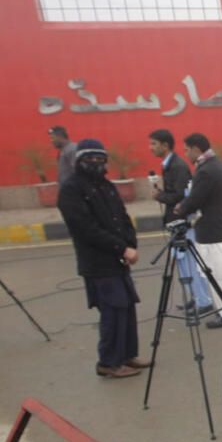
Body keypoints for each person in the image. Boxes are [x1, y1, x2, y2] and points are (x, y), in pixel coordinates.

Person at [56, 139, 150, 378]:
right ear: (80, 161)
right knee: (112, 312)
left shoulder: (106, 186)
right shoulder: (71, 189)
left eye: (100, 160)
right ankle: (108, 362)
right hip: (98, 263)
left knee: (127, 308)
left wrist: (131, 244)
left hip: (119, 260)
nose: (96, 164)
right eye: (90, 160)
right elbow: (86, 228)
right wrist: (121, 248)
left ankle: (127, 354)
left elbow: (122, 216)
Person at [179, 132, 222, 328]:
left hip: (212, 231)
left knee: (219, 274)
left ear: (196, 149)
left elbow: (196, 199)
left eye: (186, 150)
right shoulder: (217, 165)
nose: (185, 154)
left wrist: (181, 208)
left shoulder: (206, 171)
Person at [148, 128, 212, 314]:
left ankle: (204, 300)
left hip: (182, 222)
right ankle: (194, 298)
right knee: (183, 264)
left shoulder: (177, 166)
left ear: (165, 145)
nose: (150, 148)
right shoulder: (169, 165)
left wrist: (160, 196)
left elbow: (180, 196)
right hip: (176, 222)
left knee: (191, 263)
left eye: (153, 144)